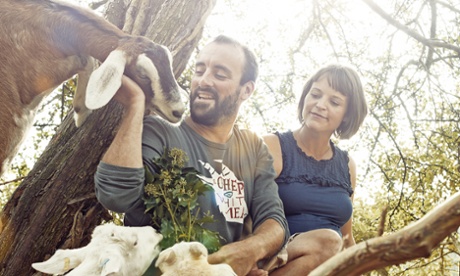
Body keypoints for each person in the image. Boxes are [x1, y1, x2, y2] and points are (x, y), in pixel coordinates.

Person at [94, 35, 289, 276]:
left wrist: (251, 249)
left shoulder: (253, 148)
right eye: (200, 70)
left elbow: (274, 221)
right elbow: (115, 197)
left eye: (220, 75)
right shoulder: (160, 131)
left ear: (246, 90)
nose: (203, 81)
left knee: (323, 242)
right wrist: (135, 104)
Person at [264, 64, 368, 275]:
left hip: (329, 266)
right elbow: (243, 214)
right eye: (315, 94)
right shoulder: (272, 146)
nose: (320, 105)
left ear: (347, 114)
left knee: (334, 243)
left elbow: (347, 238)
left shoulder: (347, 165)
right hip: (276, 261)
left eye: (334, 102)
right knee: (329, 242)